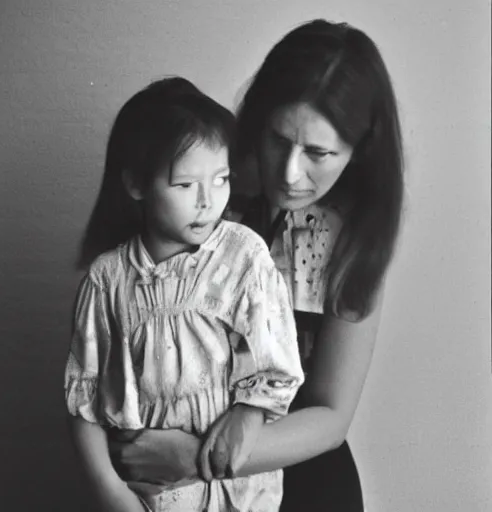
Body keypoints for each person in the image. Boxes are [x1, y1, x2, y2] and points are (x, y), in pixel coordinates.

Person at [108, 18, 404, 512]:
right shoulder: (202, 186)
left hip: (298, 477)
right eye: (277, 140)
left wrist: (198, 457)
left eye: (318, 153)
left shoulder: (356, 235)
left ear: (360, 150)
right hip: (165, 477)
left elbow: (331, 415)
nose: (290, 173)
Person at [64, 76, 304, 512]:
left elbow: (278, 365)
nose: (207, 201)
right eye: (184, 185)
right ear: (137, 184)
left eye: (221, 179)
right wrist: (109, 491)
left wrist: (248, 414)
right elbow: (83, 400)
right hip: (148, 497)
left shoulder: (243, 258)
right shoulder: (107, 280)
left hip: (239, 496)